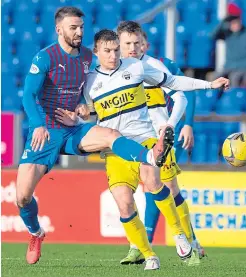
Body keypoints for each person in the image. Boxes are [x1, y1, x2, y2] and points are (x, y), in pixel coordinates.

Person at [17, 7, 179, 265]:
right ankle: (36, 233)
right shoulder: (45, 57)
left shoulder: (87, 57)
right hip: (46, 133)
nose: (79, 31)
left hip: (74, 128)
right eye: (73, 27)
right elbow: (27, 95)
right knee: (22, 197)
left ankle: (148, 155)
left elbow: (97, 84)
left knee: (111, 134)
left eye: (81, 26)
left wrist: (83, 106)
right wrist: (37, 124)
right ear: (59, 29)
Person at [55, 29, 229, 270]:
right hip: (114, 148)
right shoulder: (89, 81)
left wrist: (209, 84)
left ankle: (179, 234)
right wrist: (81, 115)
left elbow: (173, 82)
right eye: (108, 51)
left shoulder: (136, 67)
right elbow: (89, 113)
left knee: (153, 181)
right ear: (96, 52)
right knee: (124, 203)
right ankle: (148, 254)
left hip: (145, 139)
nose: (114, 55)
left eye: (116, 49)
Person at [117, 21, 204, 265]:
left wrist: (184, 124)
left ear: (145, 44)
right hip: (132, 139)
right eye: (129, 44)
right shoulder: (117, 69)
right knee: (152, 190)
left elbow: (185, 92)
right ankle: (145, 245)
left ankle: (187, 242)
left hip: (158, 139)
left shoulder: (158, 66)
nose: (134, 47)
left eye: (138, 43)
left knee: (164, 188)